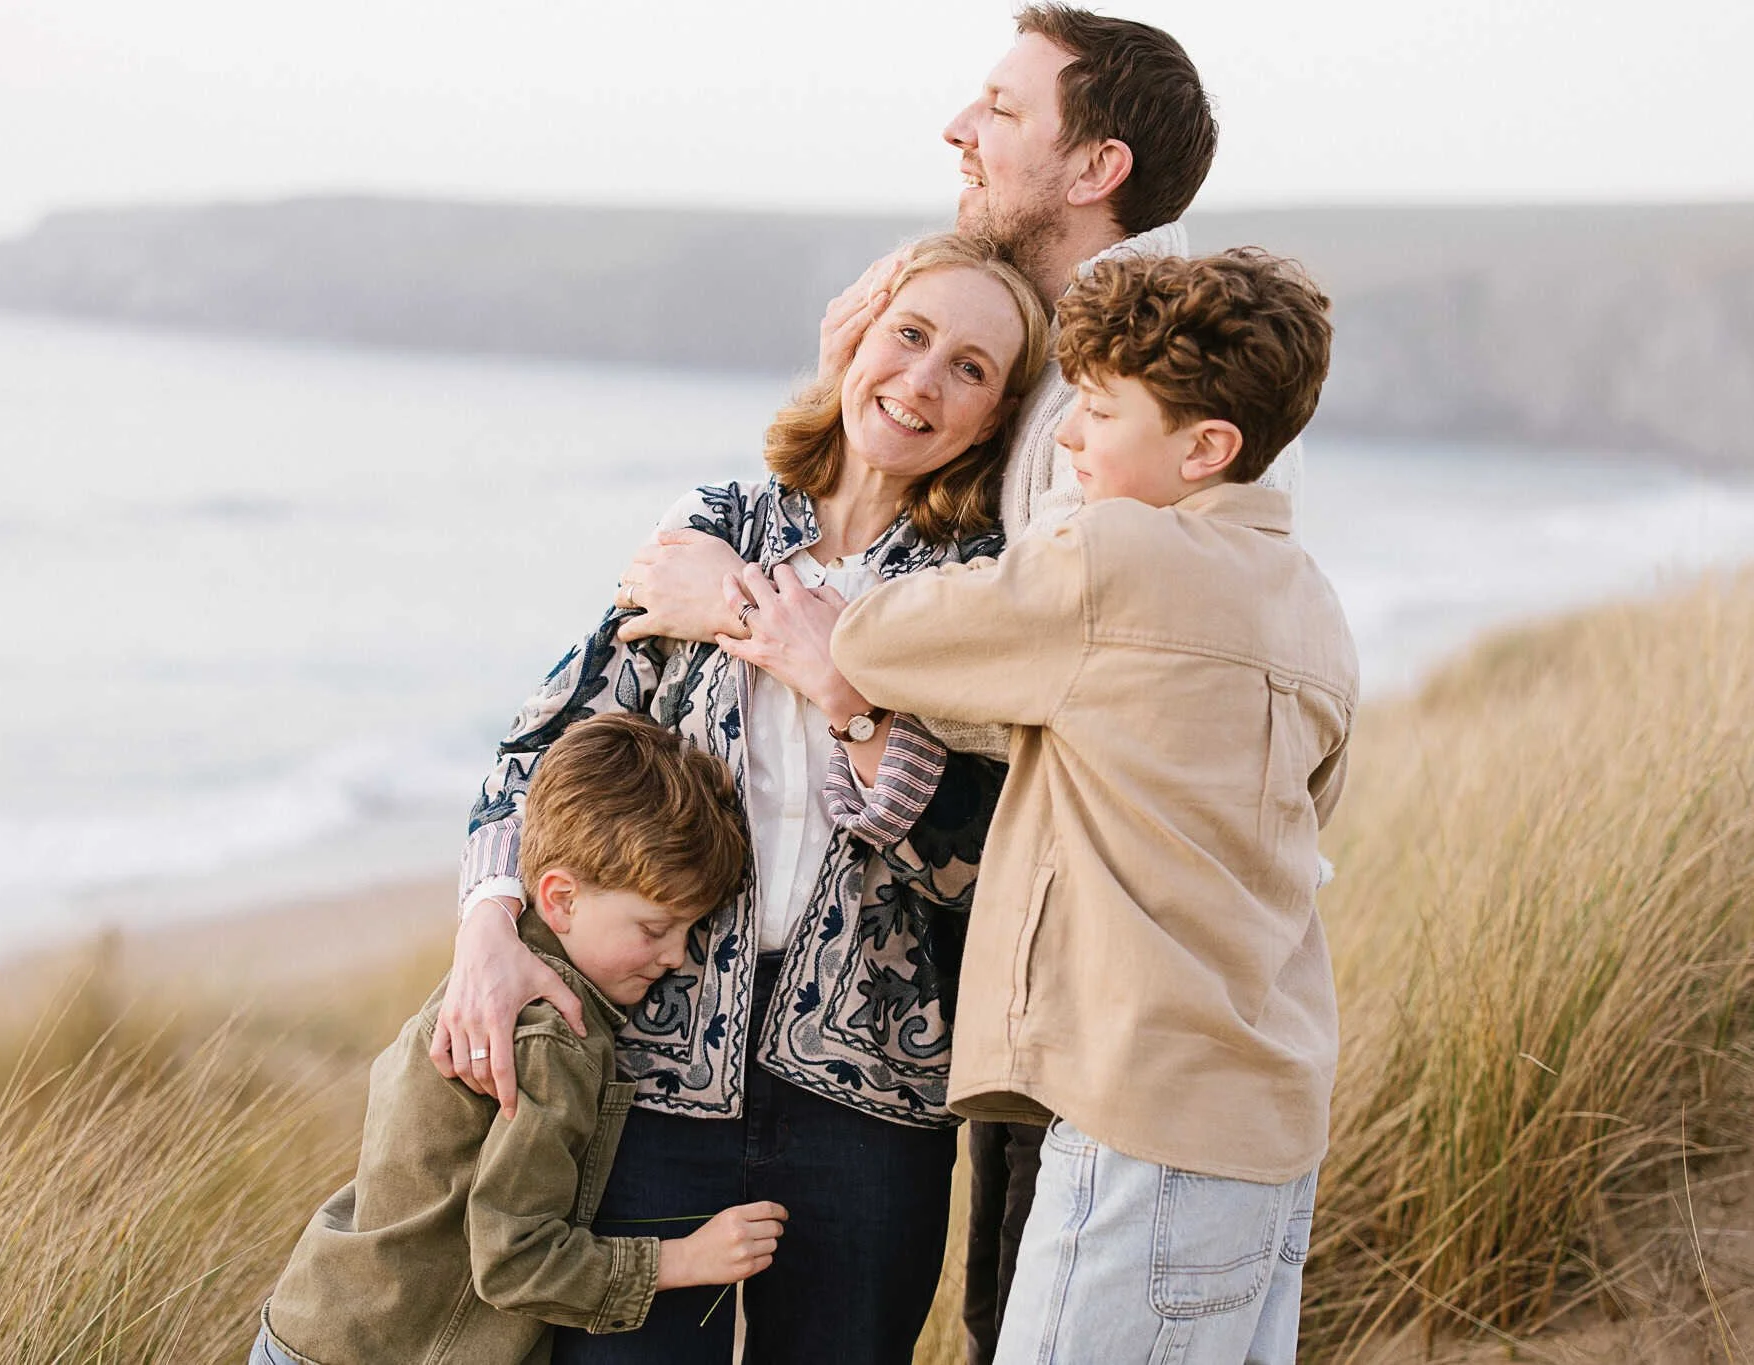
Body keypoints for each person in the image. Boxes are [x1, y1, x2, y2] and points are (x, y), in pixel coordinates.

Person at [620, 9, 1304, 1357]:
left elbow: (1040, 677)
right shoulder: (1075, 383)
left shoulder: (1092, 416)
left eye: (999, 107)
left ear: (1093, 165)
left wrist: (773, 625)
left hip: (1094, 1004)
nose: (959, 130)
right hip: (1087, 993)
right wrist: (842, 410)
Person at [435, 233, 1051, 1362]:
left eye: (969, 367)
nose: (921, 379)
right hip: (645, 1075)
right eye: (908, 336)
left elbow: (982, 863)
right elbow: (541, 748)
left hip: (875, 1101)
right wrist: (487, 929)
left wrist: (836, 686)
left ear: (997, 414)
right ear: (853, 342)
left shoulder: (985, 590)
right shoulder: (716, 525)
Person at [828, 249, 1357, 1364]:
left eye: (1099, 411)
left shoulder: (1111, 556)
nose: (1065, 439)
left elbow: (874, 638)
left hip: (1141, 1123)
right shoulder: (1313, 605)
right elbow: (1310, 813)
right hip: (1268, 1126)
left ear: (1204, 448)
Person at [251, 715, 776, 1365]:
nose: (674, 954)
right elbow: (513, 1261)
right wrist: (685, 1259)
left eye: (690, 932)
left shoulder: (493, 975)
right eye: (654, 927)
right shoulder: (551, 1036)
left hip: (318, 1326)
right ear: (561, 896)